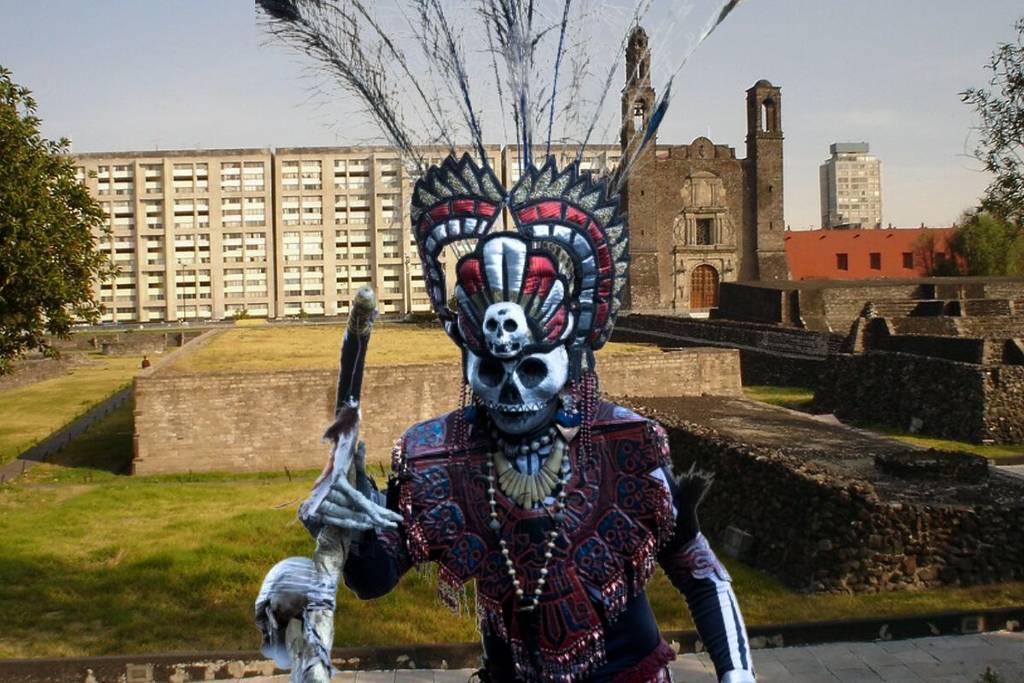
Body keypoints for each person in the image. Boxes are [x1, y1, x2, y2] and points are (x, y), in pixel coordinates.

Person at [307, 155, 756, 683]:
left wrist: (737, 674)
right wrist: (354, 524)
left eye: (532, 368)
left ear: (568, 358)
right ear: (469, 363)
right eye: (492, 370)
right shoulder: (440, 456)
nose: (513, 390)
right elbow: (373, 578)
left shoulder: (625, 444)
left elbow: (701, 574)